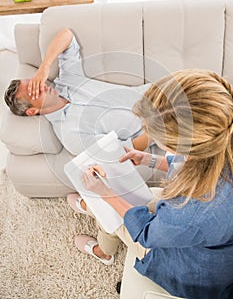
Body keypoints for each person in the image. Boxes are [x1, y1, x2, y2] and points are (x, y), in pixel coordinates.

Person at [67, 69, 233, 299]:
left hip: (190, 271)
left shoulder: (191, 209)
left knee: (106, 208)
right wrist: (149, 159)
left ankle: (102, 248)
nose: (155, 142)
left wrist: (103, 192)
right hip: (208, 241)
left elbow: (145, 232)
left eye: (161, 141)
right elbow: (194, 163)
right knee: (118, 200)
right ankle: (91, 206)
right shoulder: (218, 139)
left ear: (188, 148)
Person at [4, 28, 151, 155]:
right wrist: (159, 129)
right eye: (34, 91)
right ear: (32, 111)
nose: (41, 85)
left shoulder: (68, 80)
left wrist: (44, 67)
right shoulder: (70, 135)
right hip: (157, 125)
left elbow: (67, 35)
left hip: (153, 92)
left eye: (36, 82)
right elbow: (122, 150)